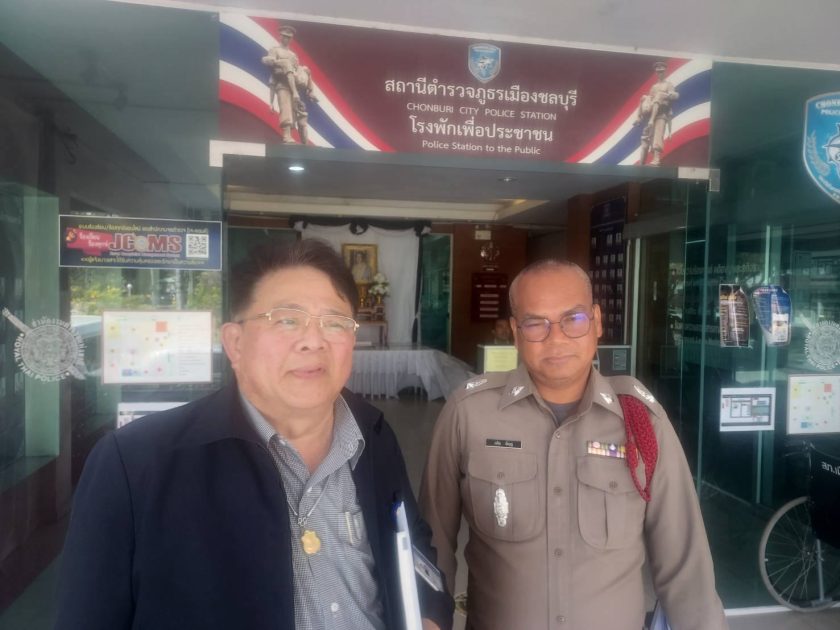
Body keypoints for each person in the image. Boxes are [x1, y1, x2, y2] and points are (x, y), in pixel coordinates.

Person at [55, 239, 453, 630]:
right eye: (287, 320)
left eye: (334, 322)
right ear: (235, 343)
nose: (313, 341)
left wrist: (429, 617)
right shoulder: (135, 464)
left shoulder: (373, 435)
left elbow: (411, 543)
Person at [420, 259, 727, 630]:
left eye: (574, 319)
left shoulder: (641, 422)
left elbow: (685, 566)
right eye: (536, 323)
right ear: (516, 332)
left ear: (597, 321)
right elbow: (430, 545)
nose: (557, 338)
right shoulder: (469, 413)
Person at [261, 25, 319, 144]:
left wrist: (303, 75)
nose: (286, 39)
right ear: (280, 36)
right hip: (282, 84)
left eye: (288, 37)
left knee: (295, 112)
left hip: (293, 86)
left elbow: (296, 69)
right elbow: (271, 64)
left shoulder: (293, 55)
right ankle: (286, 136)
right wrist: (271, 102)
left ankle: (310, 92)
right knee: (286, 109)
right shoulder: (275, 50)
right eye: (284, 36)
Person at [635, 60, 679, 166]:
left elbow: (674, 96)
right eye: (658, 72)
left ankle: (656, 159)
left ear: (665, 72)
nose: (660, 73)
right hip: (652, 115)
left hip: (662, 113)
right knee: (648, 137)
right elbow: (649, 99)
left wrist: (668, 95)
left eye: (662, 71)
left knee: (658, 135)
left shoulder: (669, 84)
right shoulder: (654, 87)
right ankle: (642, 162)